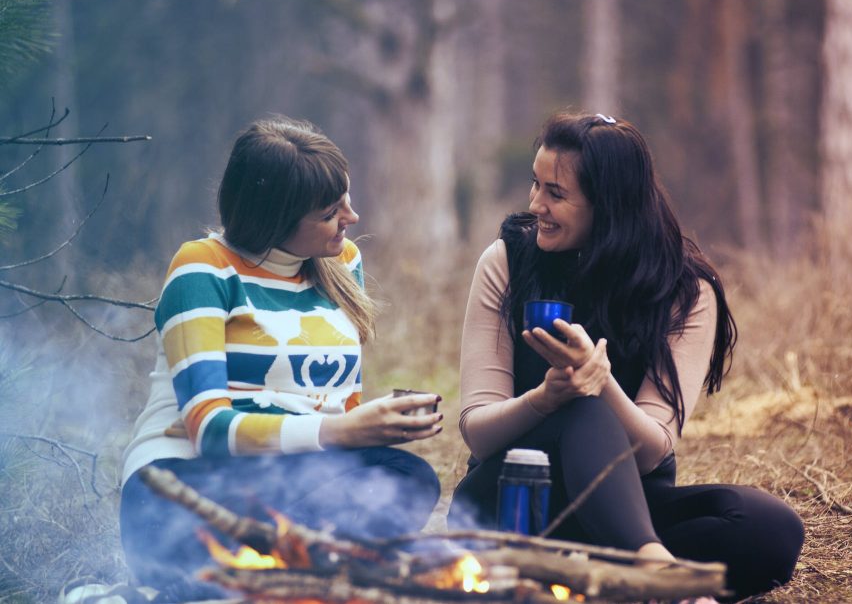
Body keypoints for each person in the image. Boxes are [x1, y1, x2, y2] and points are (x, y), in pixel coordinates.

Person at [448, 112, 804, 600]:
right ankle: (657, 576)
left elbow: (654, 447)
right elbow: (479, 432)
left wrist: (602, 382)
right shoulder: (507, 262)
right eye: (536, 185)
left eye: (556, 193)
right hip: (512, 503)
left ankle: (610, 577)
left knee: (770, 527)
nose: (536, 204)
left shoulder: (686, 290)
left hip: (625, 505)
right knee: (580, 409)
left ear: (609, 205)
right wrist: (547, 399)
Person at [119, 116, 442, 600]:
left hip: (289, 481)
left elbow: (337, 403)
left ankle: (277, 581)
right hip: (182, 489)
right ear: (275, 218)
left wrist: (369, 428)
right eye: (331, 211)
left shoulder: (342, 261)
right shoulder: (203, 268)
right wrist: (341, 432)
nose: (351, 218)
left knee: (407, 476)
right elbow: (208, 430)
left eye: (347, 199)